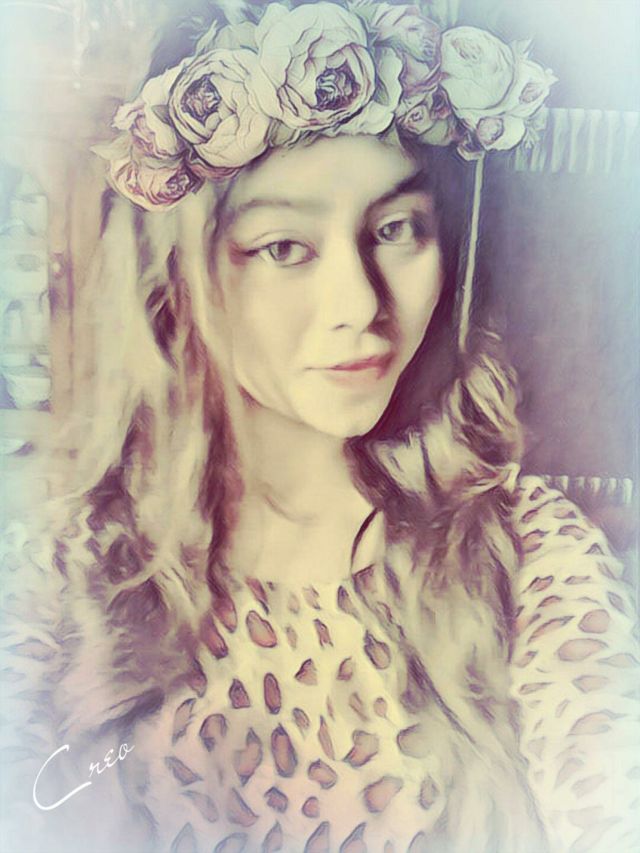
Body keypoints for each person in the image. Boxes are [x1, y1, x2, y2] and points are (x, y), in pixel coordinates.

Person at [0, 2, 638, 852]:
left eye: (395, 229)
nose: (361, 304)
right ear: (182, 276)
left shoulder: (528, 555)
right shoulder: (62, 575)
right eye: (284, 247)